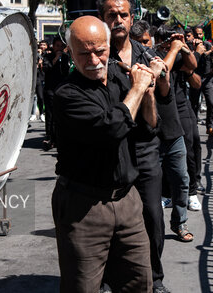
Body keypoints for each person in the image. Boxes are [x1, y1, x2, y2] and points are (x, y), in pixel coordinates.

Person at [52, 16, 154, 293]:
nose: (94, 60)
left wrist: (149, 88)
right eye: (84, 53)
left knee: (139, 282)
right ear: (71, 53)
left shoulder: (120, 80)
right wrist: (137, 88)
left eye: (100, 51)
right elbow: (113, 129)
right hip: (84, 207)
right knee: (83, 286)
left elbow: (150, 127)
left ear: (110, 47)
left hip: (128, 201)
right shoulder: (67, 94)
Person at [98, 0, 173, 293]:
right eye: (111, 15)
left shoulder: (147, 55)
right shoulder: (96, 56)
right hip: (110, 151)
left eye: (123, 14)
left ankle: (155, 279)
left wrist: (161, 78)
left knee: (153, 217)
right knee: (107, 223)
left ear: (132, 18)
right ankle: (105, 281)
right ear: (103, 18)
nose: (118, 20)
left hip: (144, 149)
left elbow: (166, 98)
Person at [152, 26, 200, 230]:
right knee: (160, 161)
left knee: (187, 152)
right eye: (166, 39)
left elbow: (192, 65)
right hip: (156, 110)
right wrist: (173, 48)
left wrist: (184, 48)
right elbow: (163, 70)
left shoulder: (178, 51)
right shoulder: (151, 55)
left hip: (179, 108)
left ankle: (190, 195)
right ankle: (166, 195)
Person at [42, 36, 70, 150]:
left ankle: (58, 137)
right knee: (50, 114)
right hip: (50, 89)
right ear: (53, 46)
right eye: (57, 46)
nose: (59, 48)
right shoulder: (47, 56)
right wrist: (55, 59)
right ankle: (49, 136)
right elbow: (46, 68)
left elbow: (66, 72)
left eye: (61, 46)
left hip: (61, 89)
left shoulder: (65, 58)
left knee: (59, 114)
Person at [189, 27, 213, 136]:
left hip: (207, 78)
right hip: (195, 77)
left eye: (200, 34)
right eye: (197, 34)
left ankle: (209, 126)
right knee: (194, 104)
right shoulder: (191, 46)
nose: (199, 36)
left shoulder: (208, 45)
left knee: (210, 102)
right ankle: (193, 126)